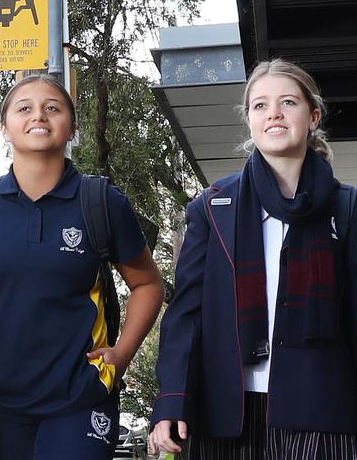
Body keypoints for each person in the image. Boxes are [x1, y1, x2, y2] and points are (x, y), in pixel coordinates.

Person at [0, 74, 164, 460]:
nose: (39, 115)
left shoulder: (100, 201)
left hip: (80, 397)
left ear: (72, 127)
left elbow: (148, 284)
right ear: (5, 127)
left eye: (53, 108)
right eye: (25, 108)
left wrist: (122, 355)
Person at [149, 59, 357, 459]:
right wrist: (171, 400)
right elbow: (187, 314)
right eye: (260, 105)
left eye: (288, 102)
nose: (273, 113)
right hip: (228, 414)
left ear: (313, 117)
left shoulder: (346, 207)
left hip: (322, 411)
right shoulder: (213, 208)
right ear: (249, 120)